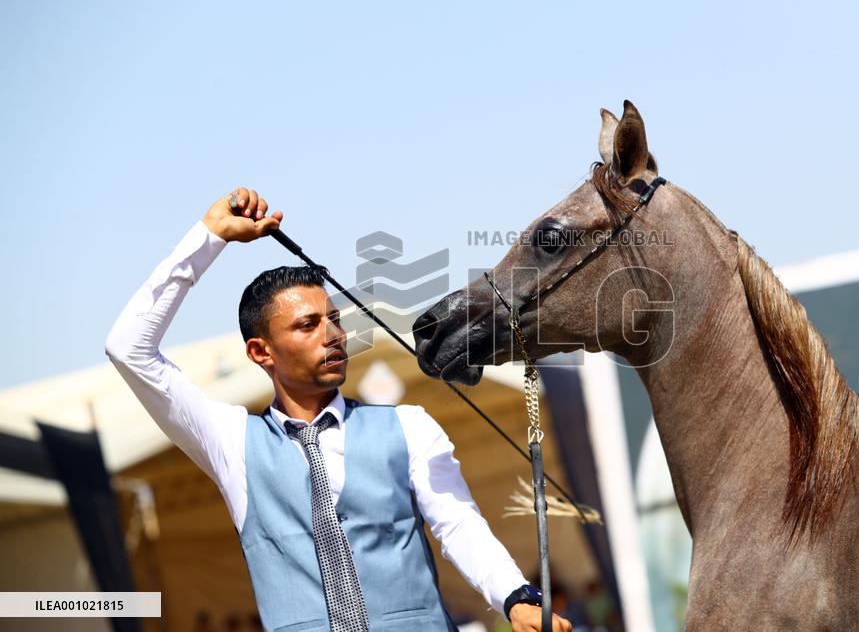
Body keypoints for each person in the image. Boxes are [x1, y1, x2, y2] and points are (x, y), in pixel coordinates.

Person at [105, 188, 572, 632]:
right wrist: (210, 236)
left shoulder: (409, 425)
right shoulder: (229, 442)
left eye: (333, 319)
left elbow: (458, 523)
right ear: (261, 352)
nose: (332, 335)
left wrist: (515, 597)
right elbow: (129, 349)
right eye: (307, 325)